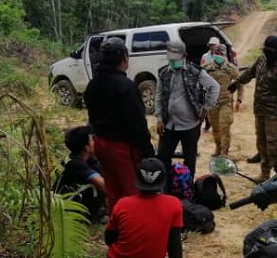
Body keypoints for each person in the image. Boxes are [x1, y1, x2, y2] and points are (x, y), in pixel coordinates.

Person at [84, 37, 156, 213]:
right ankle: (132, 230)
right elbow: (138, 124)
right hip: (122, 148)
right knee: (131, 192)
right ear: (124, 58)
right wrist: (148, 151)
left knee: (113, 190)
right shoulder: (126, 86)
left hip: (100, 144)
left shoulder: (93, 84)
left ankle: (116, 227)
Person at [104, 157, 197, 258]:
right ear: (163, 181)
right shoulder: (174, 204)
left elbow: (109, 239)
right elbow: (174, 244)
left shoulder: (122, 203)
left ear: (137, 180)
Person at [231, 34, 277, 181]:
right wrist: (237, 82)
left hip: (274, 114)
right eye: (265, 49)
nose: (266, 52)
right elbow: (250, 73)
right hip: (259, 111)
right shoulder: (261, 60)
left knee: (275, 147)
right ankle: (265, 174)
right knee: (262, 144)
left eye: (270, 50)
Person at [155, 40, 220, 183]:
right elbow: (159, 96)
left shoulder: (195, 71)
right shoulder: (163, 73)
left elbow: (214, 87)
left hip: (190, 125)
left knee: (189, 160)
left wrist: (205, 109)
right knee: (163, 158)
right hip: (168, 125)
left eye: (175, 59)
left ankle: (187, 189)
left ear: (184, 55)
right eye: (170, 59)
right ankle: (165, 188)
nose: (172, 62)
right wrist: (159, 118)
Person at [54, 125, 107, 222]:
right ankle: (92, 216)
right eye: (92, 140)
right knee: (95, 186)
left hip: (71, 199)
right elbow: (103, 185)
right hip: (67, 205)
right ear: (86, 148)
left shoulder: (86, 158)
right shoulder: (75, 164)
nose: (95, 142)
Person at [202, 41, 243, 156]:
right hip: (212, 103)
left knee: (225, 127)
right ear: (213, 53)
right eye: (217, 53)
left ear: (225, 55)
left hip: (226, 102)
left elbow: (240, 82)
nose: (219, 55)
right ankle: (218, 148)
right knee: (215, 128)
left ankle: (225, 152)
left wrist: (239, 99)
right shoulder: (206, 68)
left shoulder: (230, 68)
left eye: (221, 53)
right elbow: (199, 83)